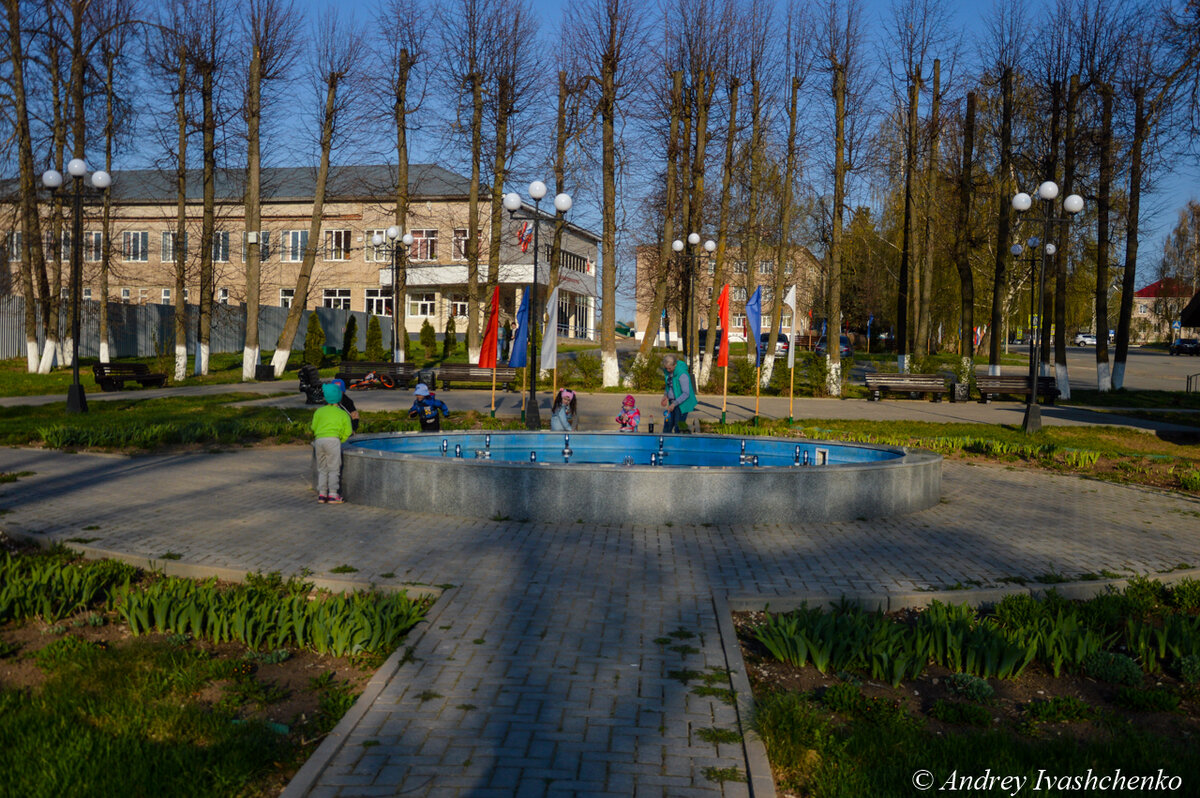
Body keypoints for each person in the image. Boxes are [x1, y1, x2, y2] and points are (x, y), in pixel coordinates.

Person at [311, 382, 353, 504]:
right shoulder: (342, 413)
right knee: (334, 468)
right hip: (333, 440)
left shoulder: (319, 412)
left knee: (322, 468)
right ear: (339, 397)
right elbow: (348, 431)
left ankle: (322, 494)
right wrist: (341, 439)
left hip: (319, 440)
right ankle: (333, 494)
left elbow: (313, 427)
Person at [660, 354, 697, 434]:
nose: (668, 370)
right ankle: (666, 443)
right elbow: (668, 385)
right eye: (666, 368)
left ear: (675, 364)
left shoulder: (682, 374)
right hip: (672, 402)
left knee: (678, 426)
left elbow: (686, 393)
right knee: (668, 425)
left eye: (670, 368)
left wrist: (674, 404)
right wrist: (665, 396)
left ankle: (681, 442)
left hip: (682, 403)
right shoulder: (667, 372)